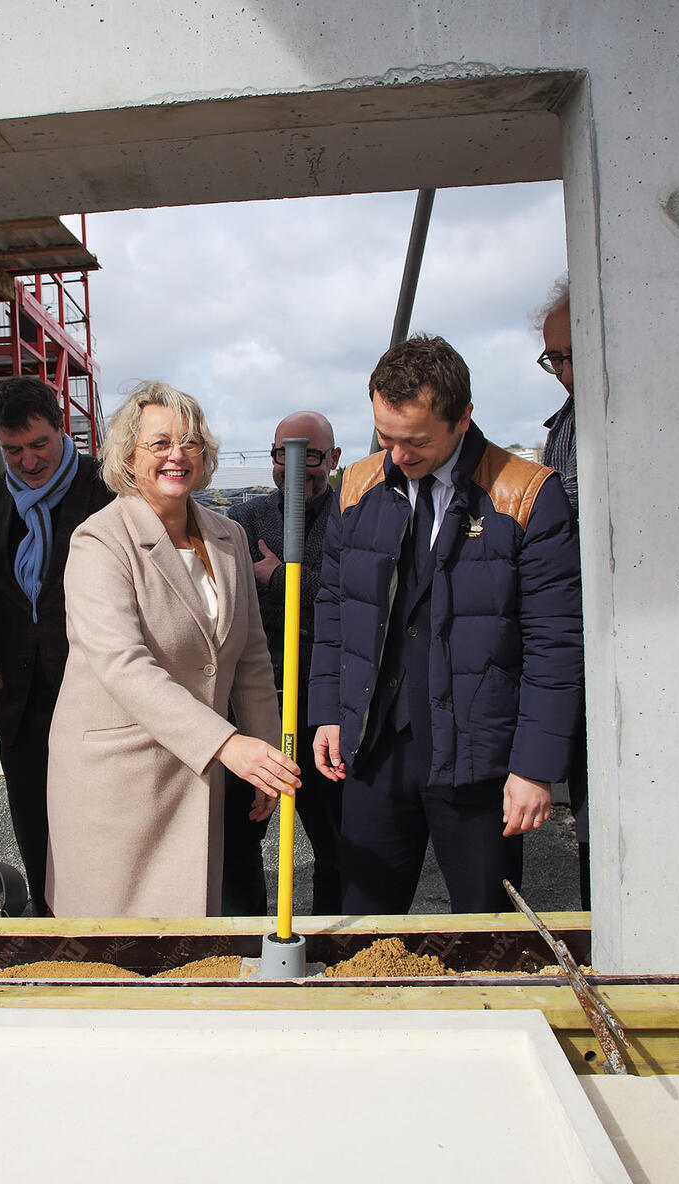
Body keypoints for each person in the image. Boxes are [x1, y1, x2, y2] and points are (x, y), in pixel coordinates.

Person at [309, 335, 582, 915]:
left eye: (416, 441)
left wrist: (534, 768)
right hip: (375, 748)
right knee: (364, 931)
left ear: (463, 418)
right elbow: (333, 611)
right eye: (385, 437)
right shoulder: (354, 488)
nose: (398, 455)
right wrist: (329, 712)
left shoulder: (529, 495)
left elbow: (554, 643)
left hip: (479, 757)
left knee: (487, 933)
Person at [45, 381, 297, 917]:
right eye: (158, 444)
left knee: (210, 937)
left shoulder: (227, 536)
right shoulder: (99, 541)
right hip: (123, 782)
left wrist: (266, 754)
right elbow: (123, 665)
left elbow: (251, 657)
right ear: (127, 459)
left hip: (207, 772)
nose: (176, 455)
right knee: (121, 952)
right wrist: (230, 745)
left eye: (189, 442)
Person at [0, 378, 113, 914]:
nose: (27, 462)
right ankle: (50, 926)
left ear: (62, 428)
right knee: (33, 820)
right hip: (20, 698)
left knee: (101, 822)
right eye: (12, 451)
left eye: (39, 445)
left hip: (100, 695)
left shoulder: (111, 489)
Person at [222, 411, 345, 915]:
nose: (295, 467)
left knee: (336, 841)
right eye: (282, 454)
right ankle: (243, 941)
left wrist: (277, 577)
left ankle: (336, 951)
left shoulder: (352, 519)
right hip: (256, 704)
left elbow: (351, 605)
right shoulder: (246, 522)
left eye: (310, 455)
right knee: (238, 838)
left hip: (324, 709)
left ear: (334, 459)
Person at [534, 278, 591, 909]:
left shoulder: (596, 418)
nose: (560, 372)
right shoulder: (572, 421)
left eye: (568, 356)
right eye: (552, 359)